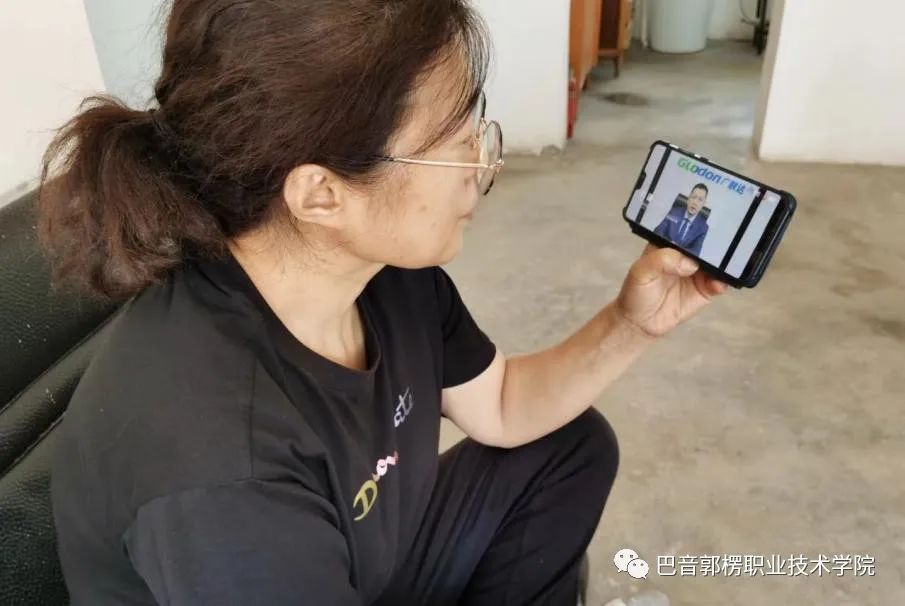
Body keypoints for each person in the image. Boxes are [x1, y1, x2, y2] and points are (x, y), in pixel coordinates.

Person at [40, 2, 726, 605]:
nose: (483, 164)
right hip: (293, 569)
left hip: (365, 565)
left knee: (569, 447)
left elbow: (500, 406)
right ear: (321, 195)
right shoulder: (221, 476)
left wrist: (630, 325)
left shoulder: (383, 274)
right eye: (456, 143)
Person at [654, 183, 711, 257]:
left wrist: (677, 250)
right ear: (688, 198)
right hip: (663, 251)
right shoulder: (674, 212)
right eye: (693, 197)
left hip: (681, 259)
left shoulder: (703, 227)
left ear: (704, 204)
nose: (695, 202)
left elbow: (696, 252)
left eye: (700, 200)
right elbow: (658, 231)